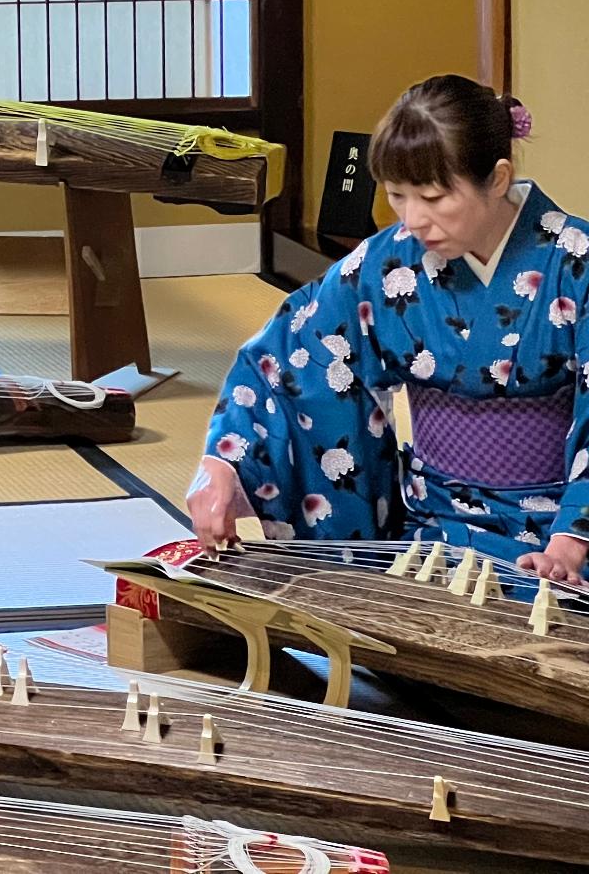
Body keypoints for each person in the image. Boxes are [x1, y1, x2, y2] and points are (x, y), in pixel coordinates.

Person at [191, 76, 589, 582]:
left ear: (497, 178)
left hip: (556, 536)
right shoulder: (386, 263)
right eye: (398, 196)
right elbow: (289, 358)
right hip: (433, 528)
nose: (415, 219)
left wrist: (570, 543)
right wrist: (224, 465)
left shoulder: (576, 262)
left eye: (435, 196)